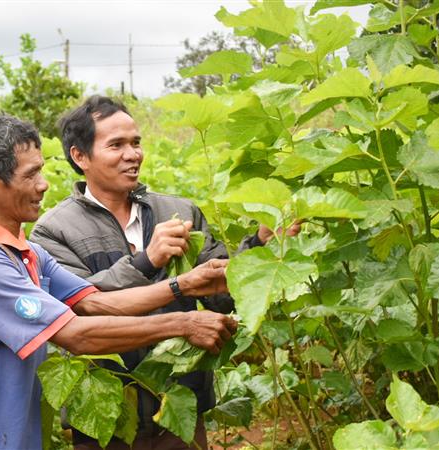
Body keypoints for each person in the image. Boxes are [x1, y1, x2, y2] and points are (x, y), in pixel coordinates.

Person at [0, 114, 238, 450]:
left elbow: (97, 302)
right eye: (30, 174)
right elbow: (76, 334)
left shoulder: (26, 251)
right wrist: (184, 322)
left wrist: (185, 285)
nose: (43, 184)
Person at [31, 95, 299, 449]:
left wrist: (260, 249)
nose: (133, 154)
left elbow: (222, 294)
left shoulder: (178, 212)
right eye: (116, 145)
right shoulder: (53, 231)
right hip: (107, 413)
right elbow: (81, 304)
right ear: (80, 156)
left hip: (180, 403)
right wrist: (147, 261)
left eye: (136, 143)